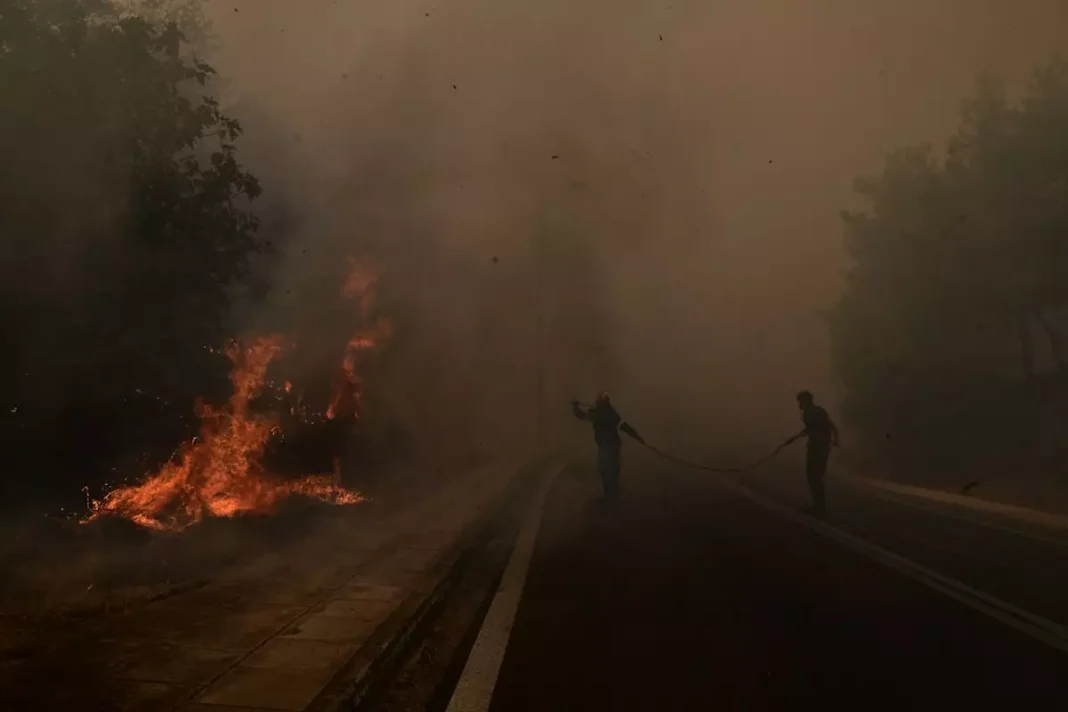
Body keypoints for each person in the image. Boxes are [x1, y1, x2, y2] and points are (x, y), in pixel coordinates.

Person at [571, 392, 645, 505]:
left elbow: (582, 416)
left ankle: (610, 498)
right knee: (611, 471)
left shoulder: (599, 413)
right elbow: (623, 426)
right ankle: (612, 497)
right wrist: (636, 436)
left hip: (607, 446)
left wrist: (575, 407)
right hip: (612, 445)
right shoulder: (610, 413)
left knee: (606, 470)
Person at [782, 390, 839, 517]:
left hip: (818, 448)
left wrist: (835, 439)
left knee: (814, 476)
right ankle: (818, 506)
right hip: (818, 447)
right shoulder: (813, 412)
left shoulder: (813, 412)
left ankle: (819, 508)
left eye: (800, 401)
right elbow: (818, 428)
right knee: (814, 477)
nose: (799, 405)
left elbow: (821, 427)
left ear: (806, 401)